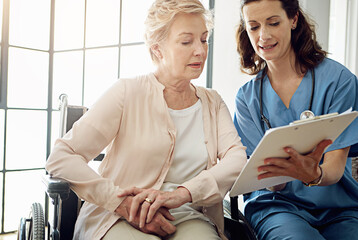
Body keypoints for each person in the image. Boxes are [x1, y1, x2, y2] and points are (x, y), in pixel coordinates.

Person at [46, 0, 247, 239]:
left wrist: (182, 194)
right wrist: (122, 203)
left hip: (186, 215)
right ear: (157, 49)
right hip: (115, 216)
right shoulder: (126, 92)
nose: (200, 51)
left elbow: (236, 159)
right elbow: (61, 157)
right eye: (186, 41)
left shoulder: (213, 102)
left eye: (203, 39)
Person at [233, 0, 358, 239]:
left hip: (339, 206)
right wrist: (275, 179)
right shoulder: (247, 98)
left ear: (294, 20)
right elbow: (259, 176)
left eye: (273, 23)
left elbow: (335, 167)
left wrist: (314, 175)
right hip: (276, 205)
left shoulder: (338, 81)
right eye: (254, 27)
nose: (264, 36)